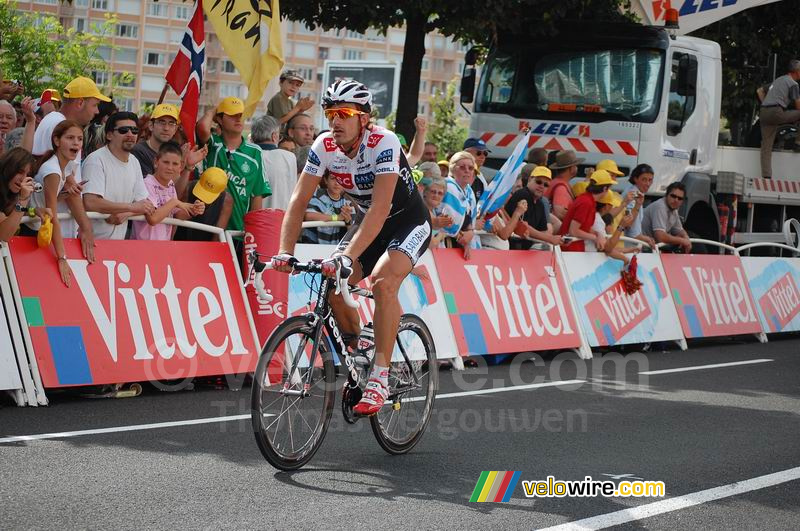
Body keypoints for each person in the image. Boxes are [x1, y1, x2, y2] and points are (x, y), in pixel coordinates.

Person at [273, 79, 431, 416]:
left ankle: (380, 375)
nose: (335, 121)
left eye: (344, 113)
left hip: (406, 222)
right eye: (331, 113)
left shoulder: (383, 142)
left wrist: (346, 256)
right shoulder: (324, 146)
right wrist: (285, 251)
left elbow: (379, 208)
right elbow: (298, 202)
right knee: (332, 283)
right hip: (367, 226)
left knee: (383, 283)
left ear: (364, 118)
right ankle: (359, 351)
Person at [23, 120, 96, 284]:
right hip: (30, 230)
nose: (76, 143)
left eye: (79, 139)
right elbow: (53, 215)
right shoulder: (53, 171)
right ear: (56, 141)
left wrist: (86, 228)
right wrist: (62, 257)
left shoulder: (67, 164)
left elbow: (71, 195)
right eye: (70, 138)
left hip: (38, 227)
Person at [197, 97, 270, 232]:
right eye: (232, 115)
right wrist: (215, 111)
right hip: (207, 227)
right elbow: (202, 127)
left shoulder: (255, 152)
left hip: (237, 232)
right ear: (219, 119)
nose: (238, 119)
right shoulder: (213, 144)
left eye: (241, 115)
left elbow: (257, 195)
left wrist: (253, 232)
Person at [82, 112, 156, 239]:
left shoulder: (134, 161)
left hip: (117, 245)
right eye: (123, 130)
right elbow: (90, 202)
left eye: (134, 130)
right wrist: (130, 207)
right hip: (91, 242)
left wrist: (127, 212)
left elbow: (146, 204)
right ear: (109, 135)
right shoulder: (96, 160)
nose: (130, 135)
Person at [130, 142, 205, 241]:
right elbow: (153, 219)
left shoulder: (170, 185)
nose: (170, 167)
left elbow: (176, 214)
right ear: (156, 162)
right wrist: (175, 202)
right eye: (166, 162)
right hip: (142, 246)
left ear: (180, 166)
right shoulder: (147, 183)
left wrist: (193, 210)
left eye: (175, 164)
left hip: (162, 247)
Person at [504, 166, 563, 249]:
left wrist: (559, 240)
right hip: (511, 246)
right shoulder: (523, 194)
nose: (542, 186)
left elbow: (543, 230)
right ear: (529, 180)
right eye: (538, 182)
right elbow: (522, 227)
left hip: (524, 249)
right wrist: (550, 238)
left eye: (546, 185)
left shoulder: (540, 203)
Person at [760, 60, 800, 179]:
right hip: (777, 112)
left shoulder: (778, 80)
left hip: (764, 112)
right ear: (797, 72)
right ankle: (798, 143)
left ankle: (766, 176)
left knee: (766, 146)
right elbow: (798, 106)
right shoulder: (793, 84)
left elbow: (760, 91)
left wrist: (766, 104)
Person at [0, 148, 50, 242]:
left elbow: (11, 211)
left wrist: (34, 211)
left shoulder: (9, 190)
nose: (23, 179)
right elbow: (3, 235)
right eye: (20, 172)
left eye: (28, 175)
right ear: (8, 168)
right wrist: (23, 200)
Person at [559, 169, 616, 252]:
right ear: (604, 189)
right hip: (569, 250)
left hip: (573, 249)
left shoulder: (589, 200)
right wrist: (595, 238)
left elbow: (584, 227)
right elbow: (573, 231)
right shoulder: (586, 202)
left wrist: (598, 234)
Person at [173, 167, 233, 241]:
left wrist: (210, 251)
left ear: (222, 191)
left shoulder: (227, 200)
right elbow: (175, 215)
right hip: (180, 239)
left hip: (206, 245)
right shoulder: (188, 187)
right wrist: (192, 211)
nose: (202, 198)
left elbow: (218, 233)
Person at [251, 114, 297, 210]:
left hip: (251, 218)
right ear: (274, 136)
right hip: (281, 218)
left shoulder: (248, 156)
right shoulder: (289, 157)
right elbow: (292, 190)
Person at [440, 151, 481, 258]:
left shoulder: (469, 191)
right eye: (462, 167)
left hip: (460, 243)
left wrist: (470, 233)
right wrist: (462, 238)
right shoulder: (447, 186)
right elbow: (446, 221)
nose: (467, 171)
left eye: (471, 168)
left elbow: (469, 219)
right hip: (443, 241)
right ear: (453, 169)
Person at [131, 103, 181, 179]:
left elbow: (175, 189)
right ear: (151, 126)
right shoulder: (139, 151)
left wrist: (188, 167)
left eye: (171, 123)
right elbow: (153, 187)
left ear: (175, 129)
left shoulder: (174, 153)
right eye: (162, 122)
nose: (166, 128)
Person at [302, 172, 353, 244]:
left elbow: (353, 232)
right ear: (326, 180)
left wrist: (348, 221)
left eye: (340, 179)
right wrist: (337, 217)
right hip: (311, 246)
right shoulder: (317, 194)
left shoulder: (347, 202)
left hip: (335, 249)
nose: (337, 183)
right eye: (333, 178)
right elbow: (308, 216)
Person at [642, 182, 692, 253]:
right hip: (643, 248)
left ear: (682, 201)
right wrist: (683, 241)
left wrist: (686, 236)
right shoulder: (660, 206)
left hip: (654, 247)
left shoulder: (674, 209)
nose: (676, 200)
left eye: (680, 198)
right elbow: (660, 237)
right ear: (666, 195)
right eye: (673, 196)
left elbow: (679, 230)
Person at [621, 163, 656, 248]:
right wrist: (647, 239)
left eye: (650, 180)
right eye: (644, 180)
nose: (648, 184)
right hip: (628, 246)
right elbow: (631, 229)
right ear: (635, 179)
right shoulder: (633, 194)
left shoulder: (632, 190)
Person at [548, 150, 583, 221]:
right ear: (571, 168)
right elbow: (559, 213)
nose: (577, 167)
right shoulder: (561, 188)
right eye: (575, 165)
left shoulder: (556, 182)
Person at [421, 177, 452, 249]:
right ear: (425, 192)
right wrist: (442, 234)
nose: (436, 195)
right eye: (433, 191)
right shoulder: (421, 211)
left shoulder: (433, 212)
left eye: (440, 193)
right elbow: (432, 244)